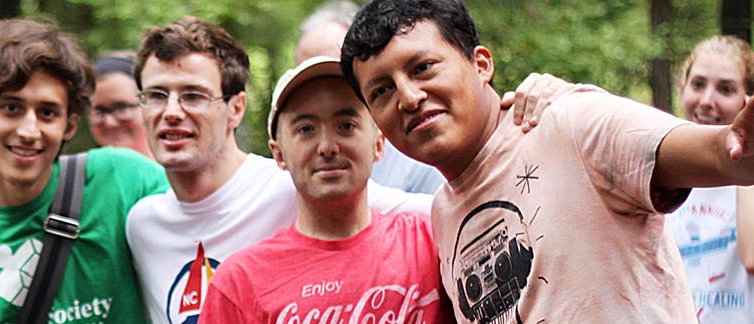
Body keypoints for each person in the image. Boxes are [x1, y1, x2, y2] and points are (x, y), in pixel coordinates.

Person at [341, 0, 754, 321]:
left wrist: (736, 143)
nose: (408, 97)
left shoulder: (570, 122)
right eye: (381, 91)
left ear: (480, 64)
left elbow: (725, 155)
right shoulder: (443, 212)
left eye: (424, 67)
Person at [123, 16, 433, 324]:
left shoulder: (293, 184)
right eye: (156, 95)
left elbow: (439, 211)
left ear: (236, 108)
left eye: (194, 95)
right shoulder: (142, 225)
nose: (172, 112)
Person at [0, 18, 168, 323]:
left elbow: (211, 217)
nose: (29, 130)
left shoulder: (120, 181)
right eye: (11, 108)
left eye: (47, 113)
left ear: (70, 124)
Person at [199, 56, 454, 323]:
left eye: (346, 126)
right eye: (306, 129)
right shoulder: (239, 283)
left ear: (378, 144)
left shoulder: (434, 242)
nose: (327, 147)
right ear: (279, 154)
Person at [297, 0, 445, 195]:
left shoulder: (416, 146)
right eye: (310, 78)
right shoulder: (297, 165)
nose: (324, 91)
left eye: (336, 74)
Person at [662, 35, 754, 322]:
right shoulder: (661, 175)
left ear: (746, 101)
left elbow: (751, 257)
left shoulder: (748, 184)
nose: (706, 101)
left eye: (725, 89)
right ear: (682, 89)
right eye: (698, 84)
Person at [90, 51, 155, 159]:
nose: (109, 122)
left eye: (121, 108)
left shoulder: (178, 172)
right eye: (99, 111)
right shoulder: (79, 173)